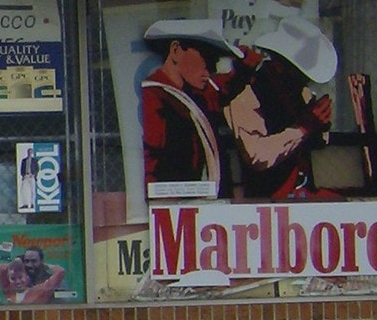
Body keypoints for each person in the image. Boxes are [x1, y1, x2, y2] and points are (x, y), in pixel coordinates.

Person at [224, 15, 336, 199]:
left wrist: (318, 127)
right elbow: (257, 155)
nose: (304, 82)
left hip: (301, 194)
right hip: (265, 202)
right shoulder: (247, 94)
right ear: (279, 66)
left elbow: (315, 143)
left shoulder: (301, 93)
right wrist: (303, 127)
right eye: (299, 74)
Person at [139, 18, 238, 199]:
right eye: (206, 59)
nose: (209, 71)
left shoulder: (194, 96)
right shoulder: (157, 97)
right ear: (176, 50)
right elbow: (154, 164)